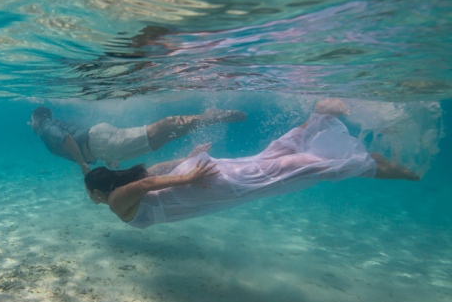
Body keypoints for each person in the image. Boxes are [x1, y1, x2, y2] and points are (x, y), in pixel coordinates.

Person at [83, 101, 420, 229]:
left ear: (102, 190)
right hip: (200, 176)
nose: (92, 201)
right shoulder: (129, 178)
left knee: (279, 172)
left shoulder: (115, 202)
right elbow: (153, 173)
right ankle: (318, 119)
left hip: (204, 184)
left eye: (91, 195)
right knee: (269, 161)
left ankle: (360, 163)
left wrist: (188, 176)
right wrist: (187, 162)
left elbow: (145, 186)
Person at [31, 106, 246, 175]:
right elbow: (73, 141)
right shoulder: (48, 127)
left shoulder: (45, 127)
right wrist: (103, 158)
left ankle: (208, 117)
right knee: (158, 140)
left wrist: (83, 164)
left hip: (98, 142)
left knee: (155, 131)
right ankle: (205, 120)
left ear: (37, 118)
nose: (29, 124)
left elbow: (67, 140)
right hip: (101, 148)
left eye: (30, 121)